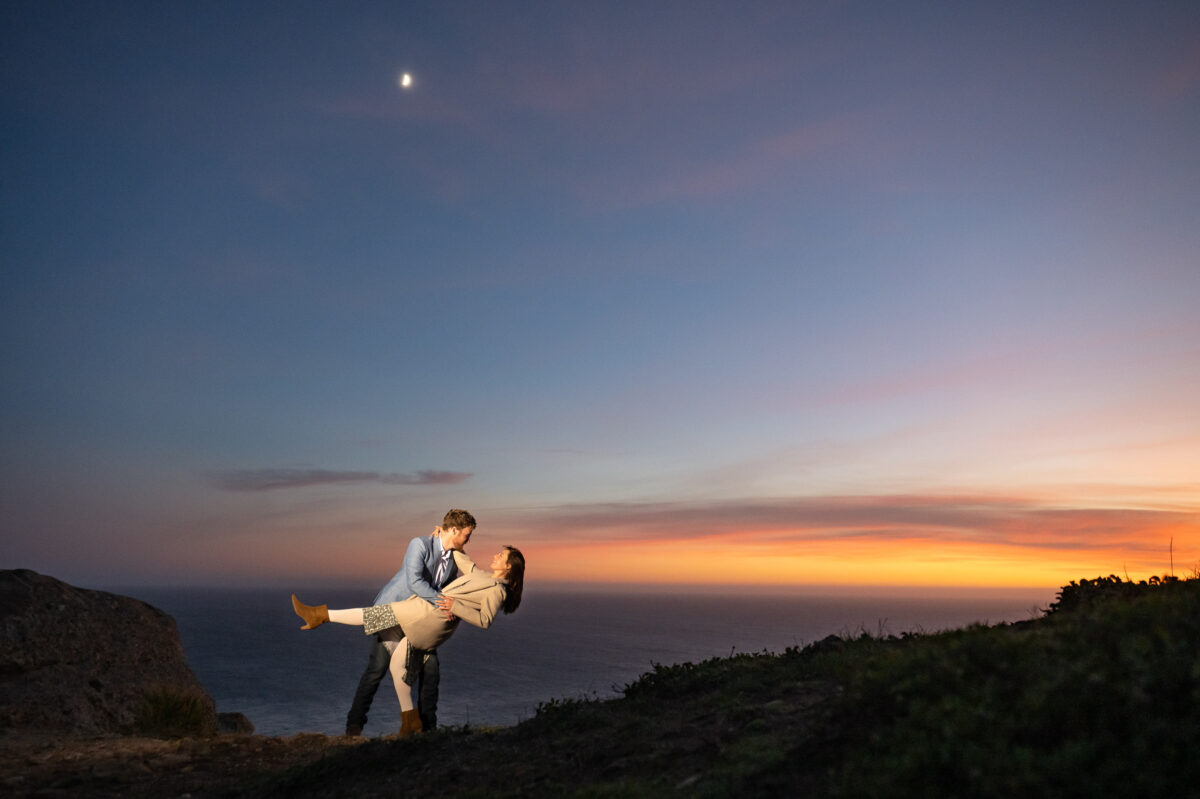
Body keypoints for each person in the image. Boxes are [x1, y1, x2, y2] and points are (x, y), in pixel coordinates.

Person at [292, 544, 525, 737]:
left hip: (427, 617)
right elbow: (463, 561)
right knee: (396, 666)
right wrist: (447, 539)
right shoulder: (483, 576)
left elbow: (485, 620)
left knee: (375, 615)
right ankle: (410, 721)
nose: (496, 555)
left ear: (508, 567)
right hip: (425, 616)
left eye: (501, 555)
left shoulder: (498, 590)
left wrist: (457, 606)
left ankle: (318, 615)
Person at [342, 509, 476, 737]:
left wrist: (455, 605)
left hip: (421, 622)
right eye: (466, 534)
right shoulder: (420, 544)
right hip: (396, 614)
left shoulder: (456, 558)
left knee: (431, 671)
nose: (468, 540)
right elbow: (415, 581)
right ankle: (354, 727)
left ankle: (427, 729)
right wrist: (442, 601)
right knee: (377, 670)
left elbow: (463, 583)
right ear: (453, 530)